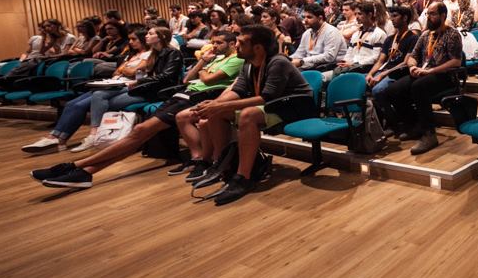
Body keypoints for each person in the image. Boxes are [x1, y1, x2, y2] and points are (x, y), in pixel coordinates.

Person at [31, 31, 245, 188]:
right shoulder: (215, 58)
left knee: (139, 132)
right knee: (139, 132)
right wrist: (203, 63)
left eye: (219, 43)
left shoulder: (234, 59)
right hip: (182, 93)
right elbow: (187, 78)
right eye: (213, 42)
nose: (214, 46)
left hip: (194, 97)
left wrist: (205, 69)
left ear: (232, 43)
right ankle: (84, 171)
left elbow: (208, 80)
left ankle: (76, 166)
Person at [176, 25, 314, 205]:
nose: (237, 46)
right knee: (218, 113)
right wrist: (216, 104)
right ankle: (223, 164)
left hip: (294, 108)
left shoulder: (278, 62)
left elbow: (266, 97)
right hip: (274, 105)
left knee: (247, 114)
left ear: (258, 47)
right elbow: (239, 90)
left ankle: (244, 177)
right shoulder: (248, 64)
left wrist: (218, 105)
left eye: (241, 43)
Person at [21, 27, 160, 153]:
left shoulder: (149, 54)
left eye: (133, 39)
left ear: (143, 39)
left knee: (94, 98)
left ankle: (86, 136)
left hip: (126, 86)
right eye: (129, 39)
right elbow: (116, 72)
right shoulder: (131, 55)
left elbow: (130, 72)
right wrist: (124, 69)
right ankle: (55, 137)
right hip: (112, 84)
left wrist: (124, 69)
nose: (130, 42)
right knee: (73, 104)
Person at [377, 2, 464, 155]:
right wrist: (412, 67)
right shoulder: (425, 35)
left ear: (443, 16)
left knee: (418, 86)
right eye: (428, 14)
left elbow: (456, 61)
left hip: (445, 76)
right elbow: (412, 56)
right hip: (423, 73)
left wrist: (431, 71)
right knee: (392, 90)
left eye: (433, 14)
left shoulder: (452, 34)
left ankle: (429, 134)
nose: (428, 17)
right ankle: (414, 124)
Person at [367, 6, 418, 98]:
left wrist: (384, 73)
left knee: (377, 90)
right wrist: (370, 74)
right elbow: (380, 61)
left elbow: (405, 63)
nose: (392, 19)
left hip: (397, 74)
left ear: (405, 18)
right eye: (391, 16)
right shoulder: (389, 38)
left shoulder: (413, 38)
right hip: (383, 71)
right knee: (358, 83)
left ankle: (387, 112)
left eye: (395, 16)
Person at [291, 4, 346, 70]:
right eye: (304, 17)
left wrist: (302, 61)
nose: (305, 20)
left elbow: (329, 57)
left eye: (309, 17)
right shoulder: (307, 33)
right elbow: (299, 54)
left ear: (320, 18)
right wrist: (287, 60)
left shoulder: (331, 32)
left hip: (329, 67)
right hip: (310, 65)